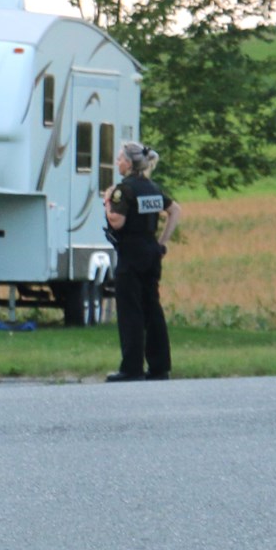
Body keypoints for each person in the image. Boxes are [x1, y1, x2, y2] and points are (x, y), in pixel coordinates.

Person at [103, 141, 182, 382]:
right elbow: (175, 210)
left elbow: (117, 221)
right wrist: (161, 242)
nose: (117, 162)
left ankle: (132, 368)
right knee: (152, 309)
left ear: (128, 163)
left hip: (131, 252)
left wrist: (107, 201)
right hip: (151, 252)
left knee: (130, 311)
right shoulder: (152, 187)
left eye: (119, 159)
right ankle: (159, 367)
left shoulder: (123, 190)